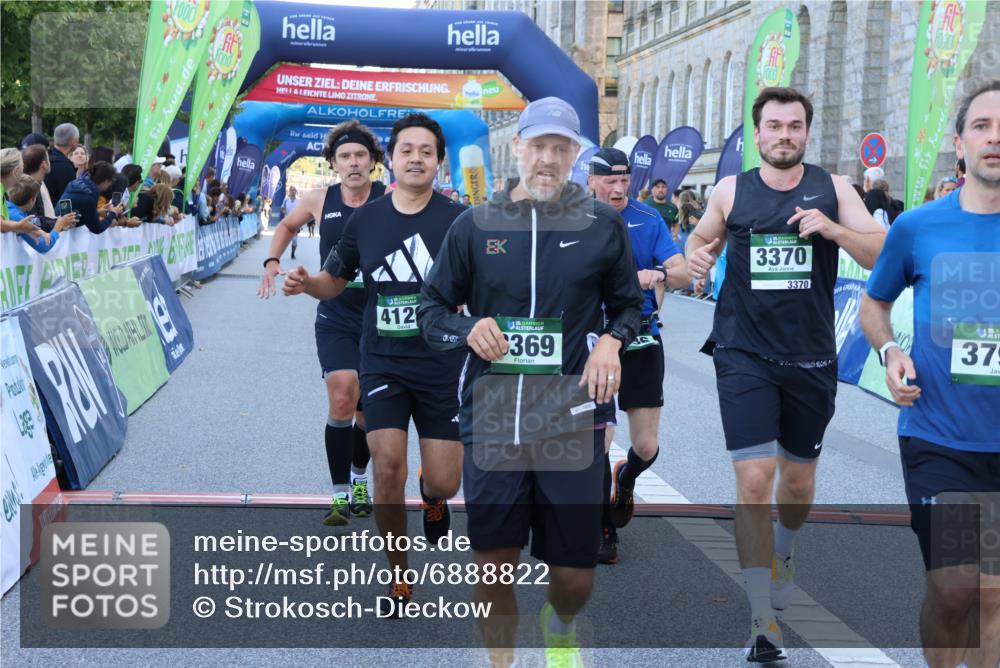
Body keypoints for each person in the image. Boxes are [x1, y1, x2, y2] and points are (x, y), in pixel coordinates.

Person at [418, 97, 643, 668]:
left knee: (573, 576)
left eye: (559, 148)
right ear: (518, 148)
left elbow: (629, 307)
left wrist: (612, 341)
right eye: (537, 146)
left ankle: (560, 625)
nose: (547, 159)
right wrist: (470, 328)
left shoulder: (603, 224)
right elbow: (432, 309)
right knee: (494, 560)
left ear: (574, 156)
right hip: (494, 413)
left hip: (570, 414)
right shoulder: (474, 224)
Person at [685, 86, 886, 662]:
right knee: (753, 479)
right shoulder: (730, 191)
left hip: (812, 358)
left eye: (794, 126)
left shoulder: (833, 188)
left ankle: (786, 549)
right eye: (773, 126)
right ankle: (760, 617)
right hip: (743, 353)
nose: (784, 135)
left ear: (806, 132)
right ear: (758, 132)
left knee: (796, 485)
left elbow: (880, 253)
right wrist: (695, 256)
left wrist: (833, 229)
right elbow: (697, 244)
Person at [282, 113, 466, 613]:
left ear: (438, 161)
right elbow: (333, 281)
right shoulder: (367, 219)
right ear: (394, 156)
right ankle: (399, 573)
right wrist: (306, 284)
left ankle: (433, 496)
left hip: (441, 365)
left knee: (446, 479)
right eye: (407, 149)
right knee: (387, 464)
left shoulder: (459, 220)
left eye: (426, 151)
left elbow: (482, 290)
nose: (416, 158)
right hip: (382, 360)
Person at [860, 80, 1000, 668]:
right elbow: (874, 303)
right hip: (941, 439)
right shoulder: (917, 227)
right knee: (954, 588)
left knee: (994, 594)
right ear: (960, 144)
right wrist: (891, 351)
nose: (997, 138)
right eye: (983, 126)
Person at [259, 120, 387, 527]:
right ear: (333, 162)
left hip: (383, 316)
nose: (353, 163)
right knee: (342, 396)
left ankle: (360, 478)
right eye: (345, 156)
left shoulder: (393, 198)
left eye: (360, 156)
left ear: (373, 162)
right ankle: (339, 495)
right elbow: (286, 226)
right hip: (335, 312)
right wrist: (272, 261)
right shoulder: (318, 197)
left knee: (367, 412)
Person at [588, 148, 691, 565]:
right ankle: (603, 527)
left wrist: (660, 273)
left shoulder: (648, 219)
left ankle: (625, 478)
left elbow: (684, 273)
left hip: (641, 335)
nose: (617, 189)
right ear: (590, 181)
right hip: (593, 341)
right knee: (599, 438)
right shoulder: (575, 219)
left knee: (645, 446)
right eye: (608, 181)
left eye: (623, 180)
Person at [60, 161, 126, 234]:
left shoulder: (77, 183)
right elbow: (97, 228)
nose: (111, 185)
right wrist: (113, 213)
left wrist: (97, 212)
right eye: (112, 181)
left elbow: (81, 215)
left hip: (59, 229)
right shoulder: (89, 196)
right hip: (62, 233)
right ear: (106, 181)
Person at [43, 123, 79, 203]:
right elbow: (68, 200)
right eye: (77, 138)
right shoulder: (66, 167)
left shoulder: (46, 159)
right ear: (73, 141)